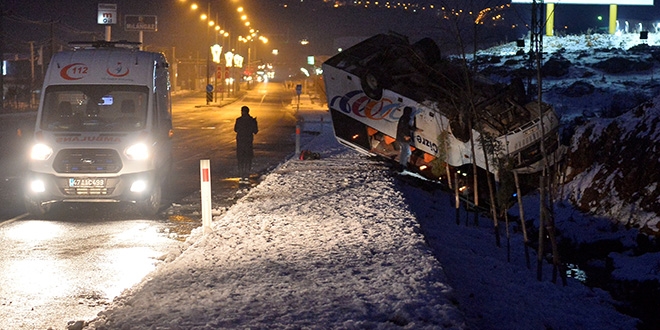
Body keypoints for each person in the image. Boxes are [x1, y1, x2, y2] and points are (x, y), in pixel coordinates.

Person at [234, 105, 258, 182]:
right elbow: (255, 131)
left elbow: (235, 129)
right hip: (248, 141)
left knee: (240, 158)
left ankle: (241, 174)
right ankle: (247, 174)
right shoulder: (252, 120)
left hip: (240, 141)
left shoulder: (238, 120)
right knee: (248, 158)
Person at [395, 106, 419, 172]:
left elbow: (407, 127)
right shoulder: (404, 119)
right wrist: (405, 136)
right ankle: (402, 165)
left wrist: (415, 129)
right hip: (403, 139)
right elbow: (402, 129)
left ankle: (402, 164)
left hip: (402, 138)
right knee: (406, 152)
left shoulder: (404, 118)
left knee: (405, 152)